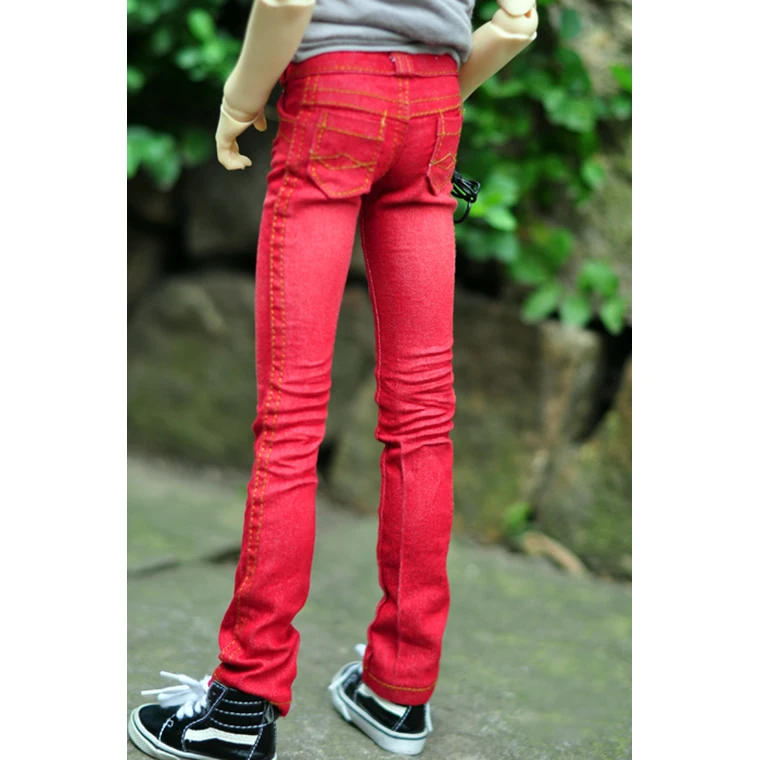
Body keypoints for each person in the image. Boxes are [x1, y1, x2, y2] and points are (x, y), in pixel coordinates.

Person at [128, 1, 538, 758]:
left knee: (291, 418)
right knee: (423, 419)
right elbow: (516, 22)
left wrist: (239, 100)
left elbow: (287, 2)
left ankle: (241, 704)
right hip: (436, 111)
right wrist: (419, 105)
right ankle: (399, 691)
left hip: (333, 99)